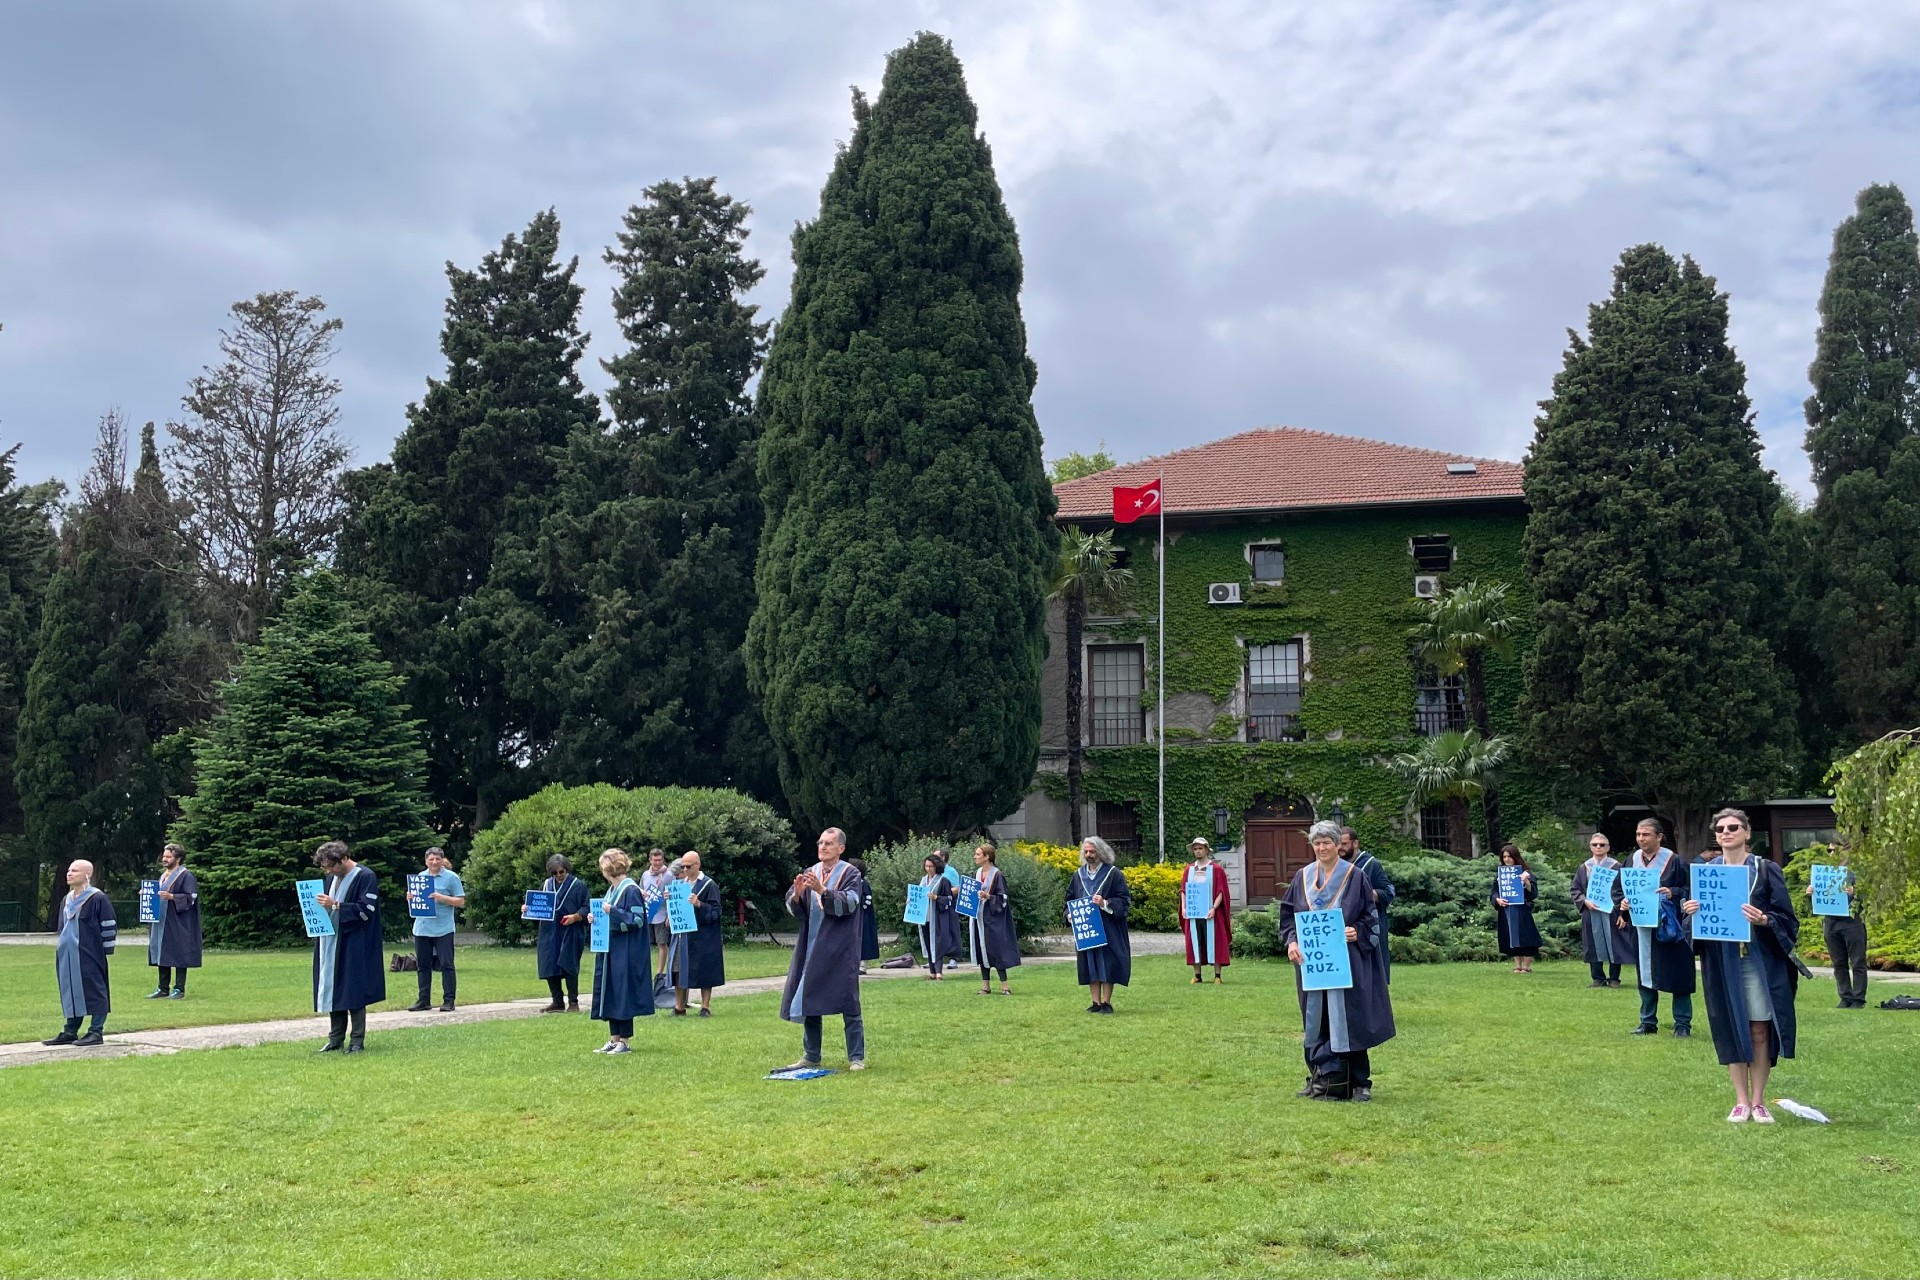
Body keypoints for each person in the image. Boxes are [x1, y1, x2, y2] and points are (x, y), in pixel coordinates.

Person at [1682, 808, 1799, 1124]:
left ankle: (1759, 1102)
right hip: (1723, 962)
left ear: (1747, 833)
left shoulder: (1764, 869)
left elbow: (1788, 920)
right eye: (1720, 829)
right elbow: (1691, 929)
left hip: (1757, 962)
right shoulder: (1706, 872)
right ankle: (1740, 1101)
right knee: (1732, 1027)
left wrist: (1763, 920)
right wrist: (1691, 912)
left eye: (1734, 827)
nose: (1726, 832)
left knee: (1760, 1028)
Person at [1280, 820, 1394, 1101]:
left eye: (1327, 843)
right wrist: (1292, 941)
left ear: (1337, 845)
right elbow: (1288, 917)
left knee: (1349, 1017)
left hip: (1348, 961)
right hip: (1314, 962)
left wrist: (1359, 931)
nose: (1321, 848)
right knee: (1315, 1018)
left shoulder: (1355, 876)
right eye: (1316, 843)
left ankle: (1359, 1083)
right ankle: (1319, 1077)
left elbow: (1371, 915)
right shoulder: (1302, 877)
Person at [778, 828, 868, 1071]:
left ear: (841, 848)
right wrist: (796, 896)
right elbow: (796, 910)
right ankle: (811, 1054)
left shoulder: (851, 874)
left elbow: (850, 904)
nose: (823, 847)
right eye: (820, 843)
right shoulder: (810, 872)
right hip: (811, 946)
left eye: (829, 843)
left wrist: (822, 891)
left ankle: (856, 1056)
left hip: (839, 947)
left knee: (848, 1000)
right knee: (809, 997)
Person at [311, 841, 385, 1054]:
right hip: (329, 942)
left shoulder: (365, 877)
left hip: (355, 942)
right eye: (325, 867)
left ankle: (357, 1040)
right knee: (333, 989)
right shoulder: (330, 879)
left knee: (353, 989)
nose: (329, 871)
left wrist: (336, 905)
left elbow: (366, 910)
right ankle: (335, 1039)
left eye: (331, 866)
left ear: (343, 859)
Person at [1626, 817, 1695, 1038]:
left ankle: (1682, 1024)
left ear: (1659, 837)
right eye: (1638, 834)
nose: (1641, 839)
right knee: (1645, 973)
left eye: (1645, 834)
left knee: (1678, 974)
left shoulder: (1675, 861)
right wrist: (1623, 903)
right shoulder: (1631, 860)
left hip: (1670, 928)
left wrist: (1672, 892)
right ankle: (1647, 1022)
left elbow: (1690, 889)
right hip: (1642, 926)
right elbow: (1621, 889)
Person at [42, 860, 116, 1048]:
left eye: (74, 870)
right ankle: (70, 1031)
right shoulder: (67, 900)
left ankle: (95, 1031)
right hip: (67, 953)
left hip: (89, 952)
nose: (69, 873)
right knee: (70, 990)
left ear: (87, 875)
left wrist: (104, 951)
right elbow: (62, 927)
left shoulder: (98, 898)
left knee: (95, 990)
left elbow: (108, 926)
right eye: (69, 870)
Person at [590, 848, 654, 1054]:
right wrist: (596, 919)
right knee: (612, 992)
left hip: (626, 952)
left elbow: (637, 920)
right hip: (611, 950)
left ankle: (624, 1041)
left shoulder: (631, 890)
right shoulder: (612, 890)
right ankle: (613, 1038)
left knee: (623, 993)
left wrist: (613, 912)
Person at [1066, 836, 1132, 1013]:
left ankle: (1106, 1002)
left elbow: (1124, 900)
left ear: (1101, 853)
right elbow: (1070, 898)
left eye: (1092, 852)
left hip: (1108, 926)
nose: (1089, 855)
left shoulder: (1113, 874)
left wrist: (1104, 903)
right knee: (1090, 962)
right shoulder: (1079, 875)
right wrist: (1069, 914)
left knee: (1107, 962)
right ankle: (1095, 1002)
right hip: (1087, 927)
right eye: (1086, 851)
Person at [1809, 845, 1869, 1009]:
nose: (1832, 853)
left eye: (1835, 850)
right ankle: (1845, 996)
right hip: (1831, 922)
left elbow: (1869, 896)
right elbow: (1818, 902)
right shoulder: (1824, 873)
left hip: (1852, 922)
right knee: (1838, 962)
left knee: (1857, 961)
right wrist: (1811, 893)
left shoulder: (1857, 872)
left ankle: (1858, 999)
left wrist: (1854, 893)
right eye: (1829, 850)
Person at [667, 851, 726, 1016]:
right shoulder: (680, 885)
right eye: (683, 866)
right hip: (682, 935)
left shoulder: (709, 885)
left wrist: (700, 904)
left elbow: (716, 912)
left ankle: (705, 1006)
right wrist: (670, 904)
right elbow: (677, 910)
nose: (685, 869)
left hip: (702, 936)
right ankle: (679, 1007)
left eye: (688, 866)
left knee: (704, 969)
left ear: (698, 865)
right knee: (677, 969)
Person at [407, 846, 465, 1012]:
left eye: (437, 859)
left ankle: (449, 1000)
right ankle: (423, 1000)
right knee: (423, 966)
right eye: (431, 859)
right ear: (426, 861)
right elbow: (417, 902)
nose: (434, 862)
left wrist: (442, 898)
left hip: (443, 929)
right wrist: (410, 898)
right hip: (422, 928)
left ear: (442, 860)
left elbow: (460, 901)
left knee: (447, 965)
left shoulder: (451, 878)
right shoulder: (420, 877)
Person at [1571, 833, 1632, 987]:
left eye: (1602, 845)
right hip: (1591, 911)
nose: (1598, 847)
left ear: (1608, 847)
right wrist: (1584, 901)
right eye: (1595, 845)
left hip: (1612, 911)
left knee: (1615, 944)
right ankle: (1597, 978)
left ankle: (1614, 978)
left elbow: (1625, 892)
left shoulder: (1617, 867)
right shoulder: (1584, 867)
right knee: (1593, 943)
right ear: (1590, 847)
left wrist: (1623, 914)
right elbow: (1575, 889)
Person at [532, 853, 590, 1012]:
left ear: (567, 870)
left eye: (561, 872)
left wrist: (576, 916)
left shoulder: (578, 885)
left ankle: (573, 1002)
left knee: (569, 965)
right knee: (549, 965)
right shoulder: (546, 885)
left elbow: (587, 907)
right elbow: (538, 905)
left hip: (570, 930)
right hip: (549, 931)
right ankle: (557, 1001)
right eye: (555, 873)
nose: (558, 876)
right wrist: (528, 909)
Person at [1339, 828, 1397, 983]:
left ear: (1355, 843)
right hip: (1344, 924)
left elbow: (1388, 892)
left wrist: (1366, 892)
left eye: (1344, 844)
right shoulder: (1336, 865)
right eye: (1338, 844)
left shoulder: (1371, 864)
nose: (1340, 848)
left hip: (1370, 923)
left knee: (1373, 974)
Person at [146, 842, 202, 1000]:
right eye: (164, 856)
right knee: (161, 952)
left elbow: (191, 897)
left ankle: (179, 988)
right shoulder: (163, 876)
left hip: (178, 921)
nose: (164, 859)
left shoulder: (186, 876)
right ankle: (162, 988)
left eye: (168, 857)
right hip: (161, 921)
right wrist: (147, 894)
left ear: (177, 859)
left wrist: (171, 897)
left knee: (178, 952)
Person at [967, 843, 1022, 995]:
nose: (975, 857)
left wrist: (988, 897)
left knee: (996, 951)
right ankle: (985, 986)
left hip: (993, 920)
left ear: (987, 857)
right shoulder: (976, 873)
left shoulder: (997, 875)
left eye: (978, 854)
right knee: (982, 950)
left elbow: (1003, 899)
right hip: (979, 919)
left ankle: (1005, 986)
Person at [1182, 836, 1231, 983]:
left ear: (1206, 850)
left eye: (1200, 848)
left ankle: (1217, 975)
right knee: (1195, 941)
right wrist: (1184, 907)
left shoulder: (1216, 869)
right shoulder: (1189, 869)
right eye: (1195, 849)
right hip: (1193, 912)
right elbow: (1184, 890)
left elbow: (1221, 891)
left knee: (1215, 941)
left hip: (1211, 912)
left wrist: (1214, 908)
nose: (1198, 851)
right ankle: (1197, 975)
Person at [1490, 843, 1540, 973]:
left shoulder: (1525, 873)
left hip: (1522, 909)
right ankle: (1517, 964)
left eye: (1509, 857)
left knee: (1526, 935)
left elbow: (1533, 893)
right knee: (1510, 935)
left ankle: (1527, 966)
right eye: (1504, 857)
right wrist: (1497, 900)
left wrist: (1526, 881)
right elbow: (1494, 892)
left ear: (1515, 857)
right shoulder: (1500, 874)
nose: (1506, 859)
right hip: (1506, 909)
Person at [913, 851, 958, 980]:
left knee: (937, 943)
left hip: (937, 917)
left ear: (936, 866)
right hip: (924, 917)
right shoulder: (923, 880)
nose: (928, 869)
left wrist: (936, 897)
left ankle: (939, 972)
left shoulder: (943, 881)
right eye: (926, 866)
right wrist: (911, 900)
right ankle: (932, 972)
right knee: (928, 943)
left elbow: (949, 899)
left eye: (930, 866)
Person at [640, 848, 674, 991]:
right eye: (655, 860)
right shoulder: (645, 875)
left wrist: (669, 915)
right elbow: (640, 890)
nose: (658, 863)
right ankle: (644, 969)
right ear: (650, 860)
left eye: (660, 860)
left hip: (662, 915)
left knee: (661, 943)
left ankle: (659, 973)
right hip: (648, 914)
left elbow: (674, 894)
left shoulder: (668, 875)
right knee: (645, 944)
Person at [852, 857, 881, 976]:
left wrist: (859, 907)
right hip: (853, 917)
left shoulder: (864, 884)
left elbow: (867, 900)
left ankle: (863, 965)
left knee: (864, 939)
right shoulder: (851, 883)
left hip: (863, 917)